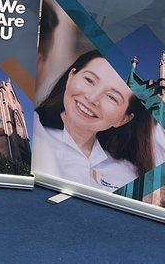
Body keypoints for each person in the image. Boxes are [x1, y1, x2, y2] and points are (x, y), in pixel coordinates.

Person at [32, 50, 153, 192]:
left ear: (123, 119)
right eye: (89, 80)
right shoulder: (33, 133)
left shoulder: (127, 173)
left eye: (112, 97)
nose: (92, 98)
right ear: (71, 77)